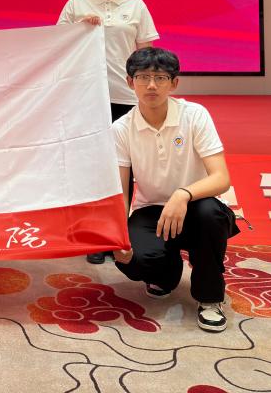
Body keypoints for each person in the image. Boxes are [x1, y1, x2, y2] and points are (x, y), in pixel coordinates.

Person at [110, 47, 239, 332]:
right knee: (131, 260)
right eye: (143, 77)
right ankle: (165, 274)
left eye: (160, 78)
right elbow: (122, 191)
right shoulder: (121, 128)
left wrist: (183, 194)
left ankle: (209, 298)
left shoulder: (194, 115)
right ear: (130, 82)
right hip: (151, 211)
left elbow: (221, 178)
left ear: (174, 83)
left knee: (210, 214)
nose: (151, 85)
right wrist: (118, 236)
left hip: (197, 206)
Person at [58, 0, 159, 264]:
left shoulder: (135, 5)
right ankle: (94, 236)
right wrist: (78, 29)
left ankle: (118, 233)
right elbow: (56, 46)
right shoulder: (77, 3)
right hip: (86, 97)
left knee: (122, 167)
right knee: (91, 166)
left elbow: (147, 53)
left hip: (124, 96)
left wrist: (149, 90)